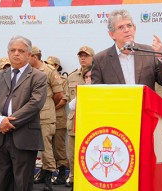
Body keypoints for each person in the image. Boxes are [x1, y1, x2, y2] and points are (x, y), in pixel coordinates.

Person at [0, 35, 47, 191]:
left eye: (21, 50)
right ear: (8, 52)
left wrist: (8, 122)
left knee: (22, 184)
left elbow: (35, 104)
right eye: (13, 50)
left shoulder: (39, 77)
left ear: (29, 54)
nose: (16, 53)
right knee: (1, 183)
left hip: (24, 137)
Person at [91, 9, 162, 90]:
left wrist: (160, 57)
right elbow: (96, 93)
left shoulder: (149, 52)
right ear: (112, 34)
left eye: (129, 25)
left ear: (134, 29)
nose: (127, 30)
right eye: (121, 27)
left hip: (143, 103)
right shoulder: (100, 60)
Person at [29, 46, 64, 191]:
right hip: (30, 116)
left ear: (35, 57)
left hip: (45, 116)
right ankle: (36, 175)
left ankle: (49, 179)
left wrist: (47, 105)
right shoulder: (27, 71)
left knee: (45, 147)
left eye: (28, 56)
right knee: (29, 147)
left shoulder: (49, 71)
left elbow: (58, 94)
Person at [66, 46, 95, 189]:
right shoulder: (71, 76)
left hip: (92, 122)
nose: (83, 58)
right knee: (72, 154)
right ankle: (73, 179)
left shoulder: (100, 75)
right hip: (74, 122)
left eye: (86, 55)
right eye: (80, 56)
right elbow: (68, 101)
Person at [45, 56, 69, 185]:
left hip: (58, 118)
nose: (49, 67)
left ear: (56, 67)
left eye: (51, 65)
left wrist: (49, 108)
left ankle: (61, 172)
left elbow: (63, 99)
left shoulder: (63, 80)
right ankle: (45, 172)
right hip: (45, 118)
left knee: (58, 147)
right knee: (45, 147)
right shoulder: (42, 78)